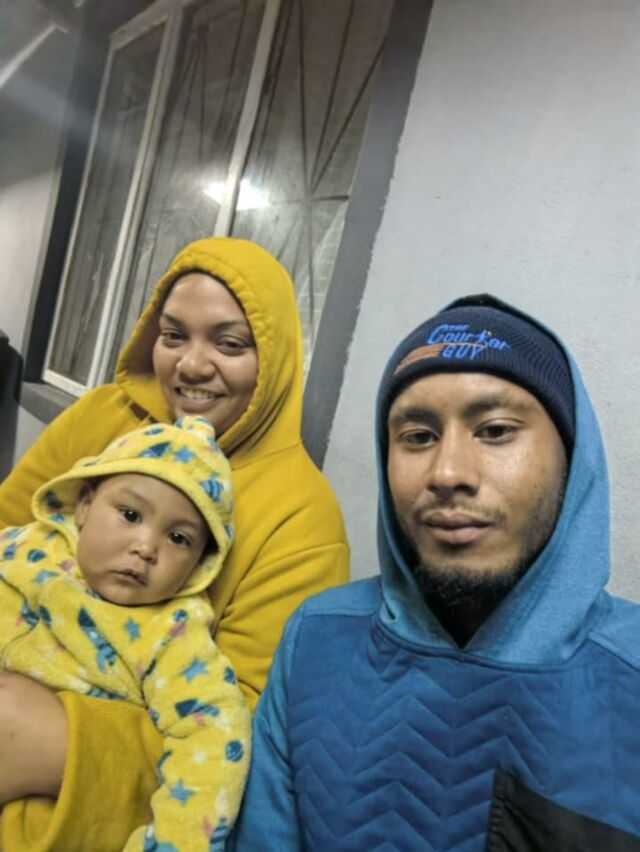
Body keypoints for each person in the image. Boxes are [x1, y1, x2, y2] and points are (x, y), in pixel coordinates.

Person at [232, 295, 640, 851]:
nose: (447, 473)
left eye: (495, 430)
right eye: (418, 437)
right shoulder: (316, 640)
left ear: (571, 455)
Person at [0, 237, 348, 849]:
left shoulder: (303, 519)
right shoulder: (102, 416)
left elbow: (243, 729)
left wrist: (49, 739)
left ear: (275, 359)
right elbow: (11, 521)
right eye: (173, 335)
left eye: (229, 344)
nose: (191, 365)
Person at [0, 415, 250, 851]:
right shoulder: (25, 547)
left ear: (202, 562)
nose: (146, 548)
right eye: (130, 515)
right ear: (84, 505)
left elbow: (213, 739)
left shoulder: (173, 635)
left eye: (178, 538)